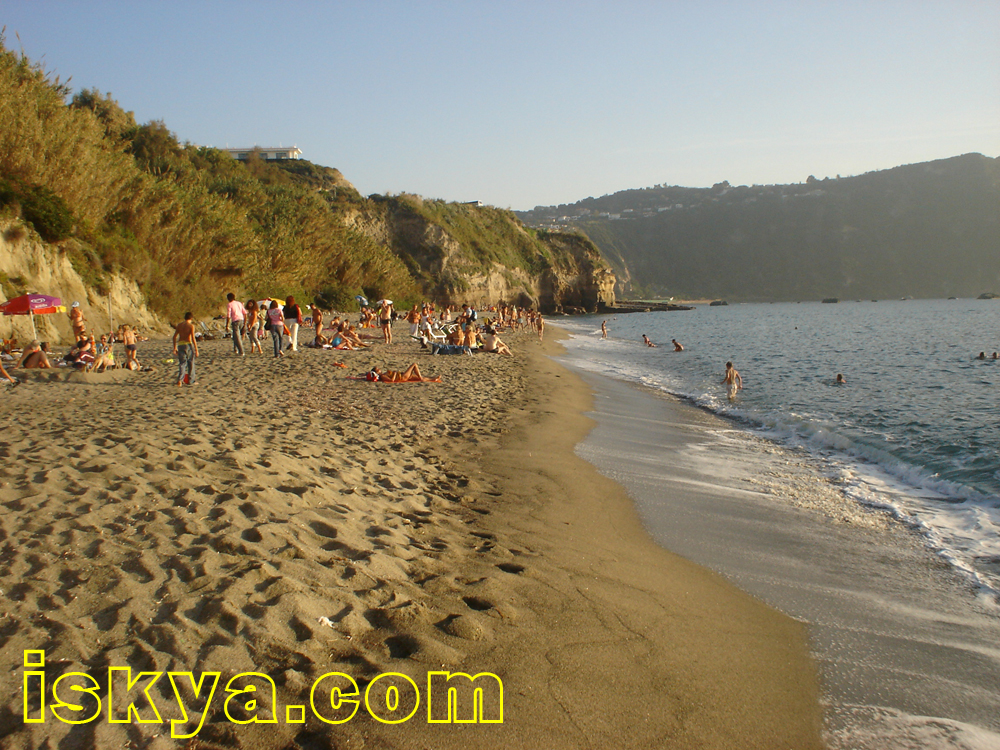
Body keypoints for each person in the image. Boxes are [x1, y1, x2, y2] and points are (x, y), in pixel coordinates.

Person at [172, 313, 198, 385]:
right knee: (190, 362)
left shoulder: (179, 325)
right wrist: (196, 349)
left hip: (180, 345)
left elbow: (174, 337)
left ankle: (180, 380)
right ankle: (191, 380)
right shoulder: (191, 326)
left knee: (182, 363)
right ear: (191, 318)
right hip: (188, 344)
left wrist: (174, 347)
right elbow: (193, 338)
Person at [367, 364, 441, 383]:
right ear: (377, 372)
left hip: (402, 375)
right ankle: (422, 378)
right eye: (378, 370)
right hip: (402, 377)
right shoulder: (383, 376)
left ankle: (433, 379)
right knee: (414, 365)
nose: (380, 369)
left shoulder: (383, 374)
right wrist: (395, 373)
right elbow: (391, 380)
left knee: (419, 378)